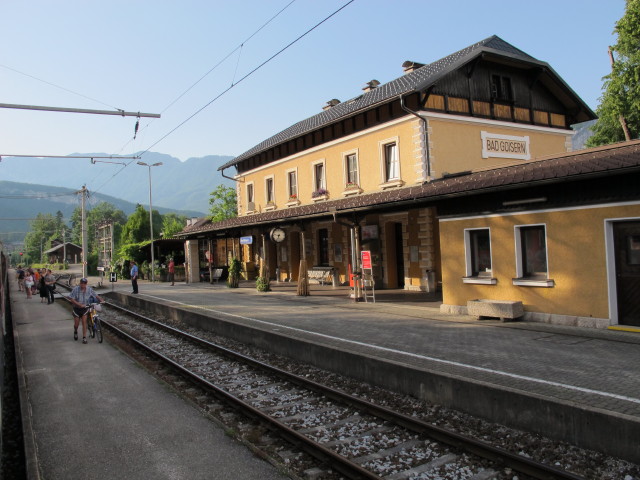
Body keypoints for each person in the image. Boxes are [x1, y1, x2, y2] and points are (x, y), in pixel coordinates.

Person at [68, 278, 103, 344]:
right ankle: (75, 331)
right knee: (76, 324)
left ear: (86, 284)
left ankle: (84, 337)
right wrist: (79, 304)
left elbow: (95, 295)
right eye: (82, 283)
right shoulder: (76, 289)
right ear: (80, 283)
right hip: (76, 309)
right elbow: (71, 298)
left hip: (85, 309)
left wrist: (101, 300)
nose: (83, 285)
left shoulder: (89, 289)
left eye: (84, 283)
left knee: (84, 322)